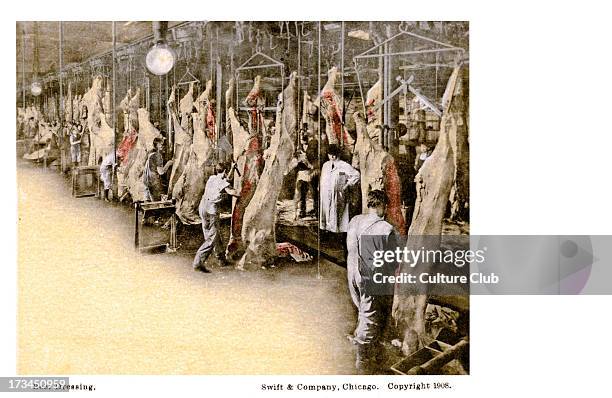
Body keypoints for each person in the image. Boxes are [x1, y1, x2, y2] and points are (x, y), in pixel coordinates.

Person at [346, 189, 399, 374]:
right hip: (370, 277)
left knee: (362, 310)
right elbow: (393, 261)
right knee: (370, 317)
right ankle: (363, 365)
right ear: (383, 206)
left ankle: (364, 345)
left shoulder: (355, 221)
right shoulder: (386, 229)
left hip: (353, 273)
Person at [193, 163, 240, 273]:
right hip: (211, 211)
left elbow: (226, 179)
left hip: (203, 208)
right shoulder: (222, 182)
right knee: (212, 238)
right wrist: (242, 193)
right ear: (224, 171)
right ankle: (198, 262)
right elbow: (232, 192)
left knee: (213, 234)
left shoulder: (212, 178)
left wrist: (232, 168)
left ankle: (221, 259)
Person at [320, 144, 360, 233]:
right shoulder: (326, 165)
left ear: (338, 154)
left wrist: (347, 185)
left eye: (334, 154)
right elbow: (323, 178)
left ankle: (338, 234)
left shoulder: (344, 165)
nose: (332, 157)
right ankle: (327, 231)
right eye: (330, 154)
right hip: (326, 194)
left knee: (337, 214)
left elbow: (356, 175)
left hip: (338, 194)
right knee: (326, 213)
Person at [288, 136, 314, 219]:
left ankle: (303, 211)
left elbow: (311, 166)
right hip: (300, 175)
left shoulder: (309, 151)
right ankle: (299, 212)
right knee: (299, 194)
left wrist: (306, 162)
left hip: (308, 174)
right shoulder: (298, 154)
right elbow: (293, 165)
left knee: (305, 193)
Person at [143, 137, 173, 202]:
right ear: (156, 145)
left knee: (148, 205)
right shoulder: (157, 155)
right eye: (160, 144)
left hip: (147, 181)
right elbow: (161, 172)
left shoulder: (150, 153)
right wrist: (169, 163)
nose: (162, 145)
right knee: (156, 205)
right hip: (154, 183)